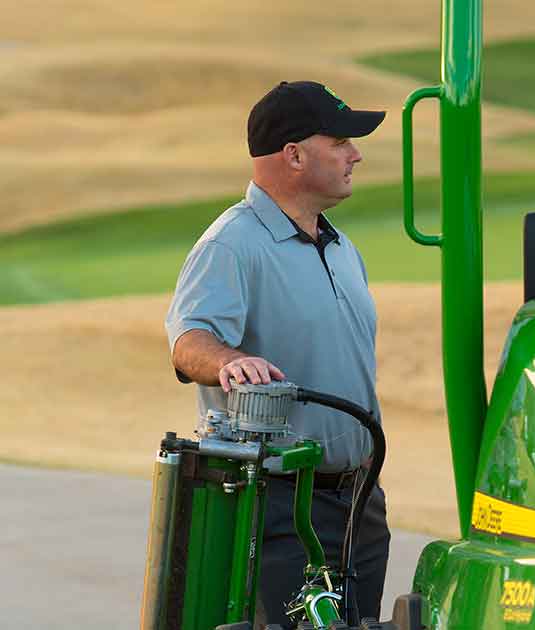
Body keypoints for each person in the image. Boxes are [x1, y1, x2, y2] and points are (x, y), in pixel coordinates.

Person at [164, 80, 390, 626]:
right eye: (340, 141)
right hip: (281, 507)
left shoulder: (340, 245)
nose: (355, 153)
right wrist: (227, 362)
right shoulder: (231, 243)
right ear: (294, 154)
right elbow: (188, 340)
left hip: (358, 503)